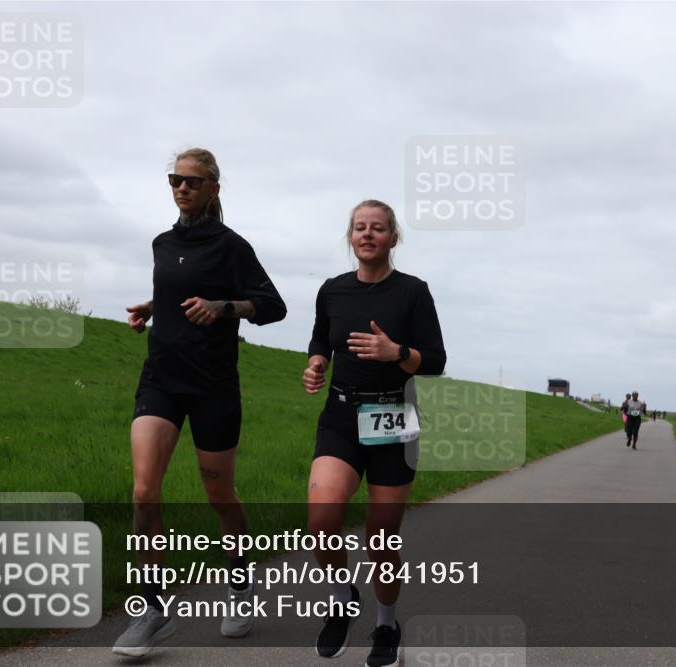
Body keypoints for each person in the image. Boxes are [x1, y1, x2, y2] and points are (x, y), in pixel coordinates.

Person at [113, 148, 287, 657]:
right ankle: (151, 608)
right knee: (145, 490)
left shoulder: (232, 246)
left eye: (193, 181)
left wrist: (224, 306)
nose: (182, 188)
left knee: (219, 498)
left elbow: (273, 305)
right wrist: (154, 306)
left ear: (213, 188)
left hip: (213, 386)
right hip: (160, 380)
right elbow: (175, 286)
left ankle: (239, 583)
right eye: (175, 179)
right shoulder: (162, 242)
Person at [302, 200, 446, 667]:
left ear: (393, 238)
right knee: (322, 518)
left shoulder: (412, 293)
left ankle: (386, 624)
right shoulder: (333, 291)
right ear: (351, 236)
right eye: (360, 228)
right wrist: (316, 362)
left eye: (378, 228)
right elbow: (321, 336)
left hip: (393, 419)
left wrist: (395, 351)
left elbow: (436, 361)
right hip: (341, 415)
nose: (368, 235)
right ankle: (342, 596)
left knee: (380, 538)